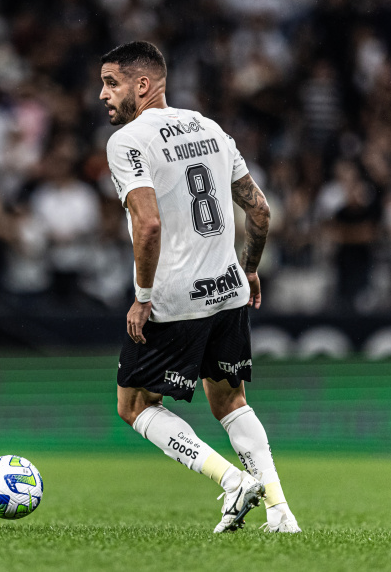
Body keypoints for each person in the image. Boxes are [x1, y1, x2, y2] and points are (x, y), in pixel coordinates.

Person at [100, 41, 300, 534]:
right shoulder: (210, 128)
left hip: (174, 297)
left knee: (136, 406)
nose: (103, 94)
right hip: (229, 288)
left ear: (143, 85)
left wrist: (143, 298)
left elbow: (147, 226)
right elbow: (259, 210)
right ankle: (281, 513)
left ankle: (232, 481)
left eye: (111, 82)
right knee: (232, 402)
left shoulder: (128, 141)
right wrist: (250, 268)